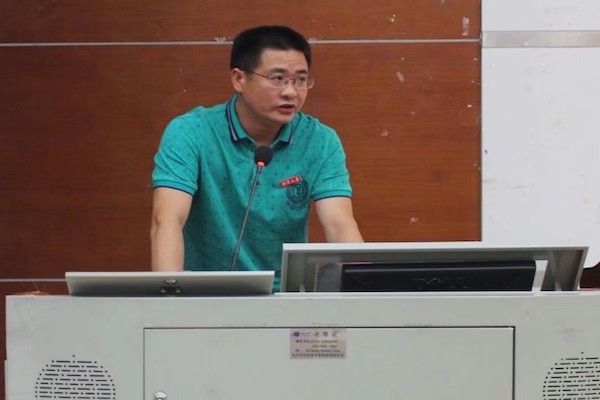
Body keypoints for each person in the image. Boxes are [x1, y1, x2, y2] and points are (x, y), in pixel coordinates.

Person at [150, 25, 363, 290]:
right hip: (203, 292)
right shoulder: (191, 132)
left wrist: (365, 291)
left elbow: (339, 225)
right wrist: (170, 296)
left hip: (284, 296)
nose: (291, 92)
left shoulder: (319, 140)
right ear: (239, 79)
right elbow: (167, 221)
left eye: (300, 79)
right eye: (278, 78)